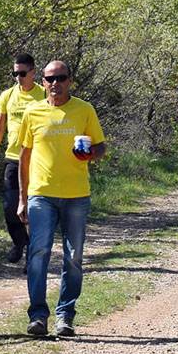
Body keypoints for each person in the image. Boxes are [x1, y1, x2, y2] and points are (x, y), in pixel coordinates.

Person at [16, 60, 106, 337]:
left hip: (76, 195)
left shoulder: (84, 109)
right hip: (41, 194)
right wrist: (22, 198)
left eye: (61, 78)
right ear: (42, 82)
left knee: (74, 256)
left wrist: (90, 154)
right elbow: (24, 157)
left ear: (70, 81)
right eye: (49, 79)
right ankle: (38, 316)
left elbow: (101, 147)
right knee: (38, 254)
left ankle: (65, 315)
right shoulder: (32, 112)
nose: (55, 84)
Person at [0, 52, 45, 267]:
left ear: (33, 72)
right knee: (10, 208)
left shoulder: (44, 95)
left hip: (38, 159)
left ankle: (32, 256)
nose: (18, 77)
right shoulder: (7, 96)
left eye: (23, 73)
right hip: (12, 158)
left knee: (34, 208)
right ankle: (21, 242)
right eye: (15, 73)